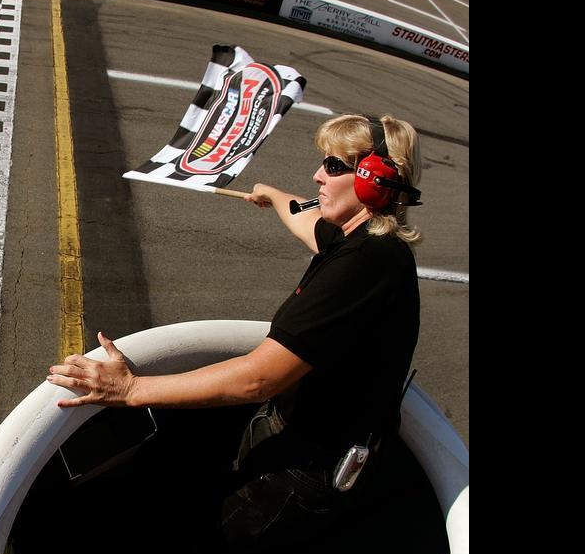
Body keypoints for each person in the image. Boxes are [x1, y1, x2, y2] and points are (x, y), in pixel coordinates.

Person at [46, 114, 423, 552]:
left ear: (372, 181)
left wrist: (130, 389)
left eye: (334, 166)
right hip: (291, 438)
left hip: (301, 473)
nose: (318, 174)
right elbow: (307, 222)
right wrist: (274, 195)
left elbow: (258, 378)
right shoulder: (366, 245)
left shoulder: (364, 266)